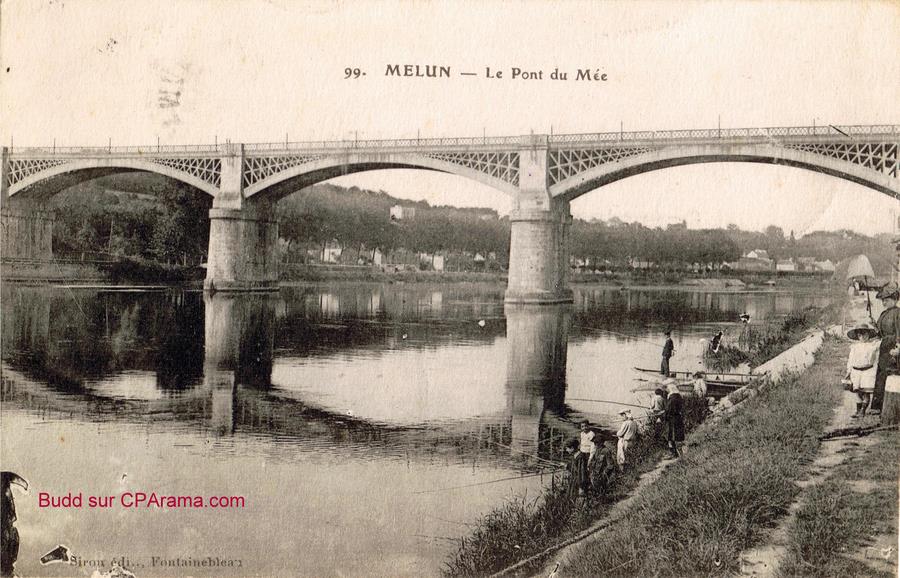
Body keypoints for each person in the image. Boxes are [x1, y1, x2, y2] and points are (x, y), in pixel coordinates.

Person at [872, 283, 900, 413]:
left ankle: (892, 407)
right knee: (882, 373)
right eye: (883, 300)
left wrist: (898, 347)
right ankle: (878, 406)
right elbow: (880, 333)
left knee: (892, 374)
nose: (884, 302)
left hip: (893, 348)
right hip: (884, 347)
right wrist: (874, 324)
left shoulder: (898, 313)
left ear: (895, 299)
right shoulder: (884, 313)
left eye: (887, 300)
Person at [845, 322, 880, 418]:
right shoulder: (854, 347)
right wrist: (848, 371)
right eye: (860, 335)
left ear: (868, 334)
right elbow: (850, 360)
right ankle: (858, 410)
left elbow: (880, 343)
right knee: (857, 392)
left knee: (866, 392)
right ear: (857, 336)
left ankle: (863, 411)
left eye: (865, 334)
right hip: (856, 371)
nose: (863, 337)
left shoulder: (873, 345)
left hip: (868, 371)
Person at [664, 380, 685, 458]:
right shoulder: (679, 396)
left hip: (672, 419)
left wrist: (664, 416)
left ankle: (673, 453)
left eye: (667, 389)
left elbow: (669, 409)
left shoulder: (672, 398)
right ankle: (679, 453)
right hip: (678, 417)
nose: (667, 390)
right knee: (678, 436)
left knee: (671, 436)